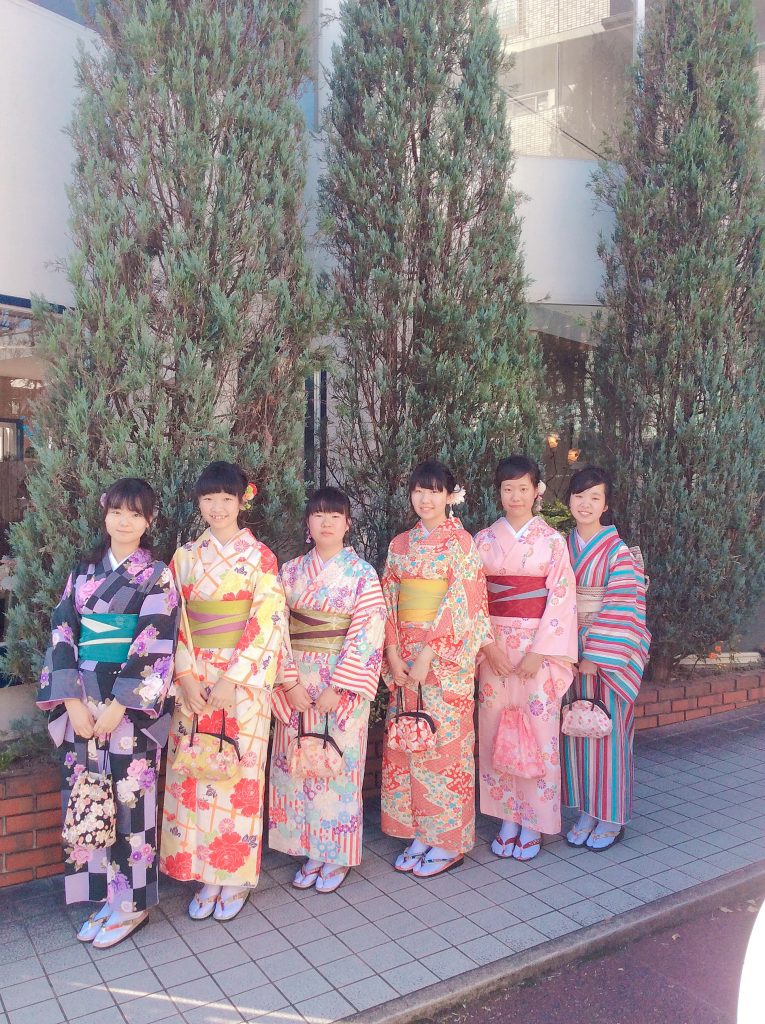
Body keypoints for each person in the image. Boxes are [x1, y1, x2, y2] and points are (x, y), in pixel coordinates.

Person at [37, 478, 178, 949]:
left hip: (128, 709)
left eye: (135, 514)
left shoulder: (156, 575)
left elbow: (156, 643)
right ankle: (103, 895)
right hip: (82, 698)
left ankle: (133, 904)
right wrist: (72, 702)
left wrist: (120, 704)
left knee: (131, 801)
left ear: (148, 521)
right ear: (105, 515)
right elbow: (62, 633)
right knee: (88, 796)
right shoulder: (82, 573)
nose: (124, 521)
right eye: (117, 511)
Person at [160, 461, 286, 921]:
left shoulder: (261, 557)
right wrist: (185, 677)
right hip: (194, 681)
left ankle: (233, 876)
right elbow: (171, 620)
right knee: (195, 772)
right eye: (208, 499)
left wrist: (234, 679)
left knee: (238, 775)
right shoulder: (184, 557)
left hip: (242, 685)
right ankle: (202, 872)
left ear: (241, 501)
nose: (217, 507)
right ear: (199, 503)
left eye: (226, 499)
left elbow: (268, 619)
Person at [269, 487, 386, 893]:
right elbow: (273, 625)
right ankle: (307, 848)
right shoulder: (289, 572)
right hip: (296, 679)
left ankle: (335, 853)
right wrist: (288, 681)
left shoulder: (362, 574)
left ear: (348, 523)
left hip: (341, 681)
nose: (327, 523)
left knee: (338, 764)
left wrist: (340, 686)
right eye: (319, 515)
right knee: (297, 763)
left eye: (335, 516)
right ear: (308, 523)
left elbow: (369, 632)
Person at [381, 460, 490, 878]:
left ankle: (448, 841)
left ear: (449, 495)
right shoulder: (399, 545)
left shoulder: (461, 543)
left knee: (444, 748)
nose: (425, 499)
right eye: (418, 490)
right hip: (404, 658)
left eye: (434, 491)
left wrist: (428, 653)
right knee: (409, 741)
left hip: (443, 662)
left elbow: (466, 601)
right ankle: (419, 832)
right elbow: (387, 601)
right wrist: (393, 654)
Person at [474, 455, 578, 861]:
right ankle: (506, 817)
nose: (515, 496)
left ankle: (533, 820)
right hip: (494, 649)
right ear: (498, 492)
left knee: (537, 732)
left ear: (537, 490)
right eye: (507, 488)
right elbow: (471, 598)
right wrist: (487, 646)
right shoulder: (483, 540)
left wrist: (539, 652)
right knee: (495, 728)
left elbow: (562, 598)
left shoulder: (551, 541)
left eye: (522, 488)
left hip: (537, 649)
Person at [562, 465, 650, 850]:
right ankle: (586, 810)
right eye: (579, 495)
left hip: (608, 657)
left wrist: (595, 656)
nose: (585, 503)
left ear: (606, 504)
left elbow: (622, 606)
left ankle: (611, 817)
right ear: (569, 500)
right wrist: (561, 649)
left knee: (608, 733)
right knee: (576, 730)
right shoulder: (560, 546)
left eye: (594, 497)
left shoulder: (618, 552)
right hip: (567, 651)